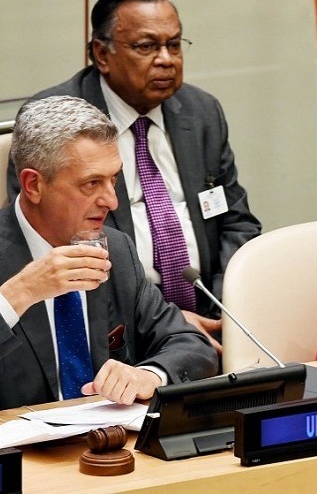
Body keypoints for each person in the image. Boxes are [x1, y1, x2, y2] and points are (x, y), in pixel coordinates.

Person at [9, 0, 261, 353]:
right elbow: (52, 241)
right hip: (122, 329)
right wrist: (164, 318)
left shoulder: (201, 111)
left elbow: (236, 222)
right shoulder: (57, 122)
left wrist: (225, 306)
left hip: (213, 314)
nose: (166, 59)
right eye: (146, 47)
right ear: (102, 54)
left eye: (174, 45)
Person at [0, 96, 218, 410]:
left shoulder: (115, 248)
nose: (112, 201)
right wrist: (19, 293)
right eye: (92, 183)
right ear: (33, 185)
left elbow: (190, 344)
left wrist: (149, 375)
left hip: (113, 436)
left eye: (113, 179)